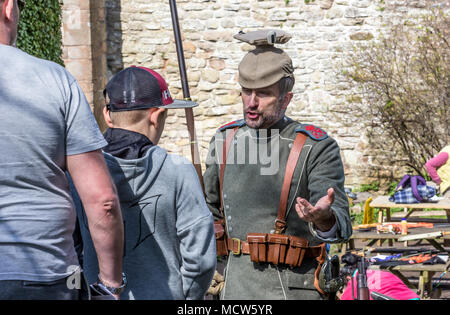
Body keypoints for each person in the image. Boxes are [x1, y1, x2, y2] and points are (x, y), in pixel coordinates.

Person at [203, 29, 352, 300]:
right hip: (233, 289)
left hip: (295, 290)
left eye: (263, 94)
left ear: (286, 98)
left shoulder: (315, 147)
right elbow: (209, 209)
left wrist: (323, 218)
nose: (251, 102)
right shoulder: (225, 140)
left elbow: (340, 224)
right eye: (246, 92)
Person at [0, 0, 125, 299]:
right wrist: (110, 285)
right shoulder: (55, 81)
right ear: (7, 7)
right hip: (47, 276)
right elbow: (102, 201)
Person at [71, 66, 216, 300]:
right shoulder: (179, 172)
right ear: (155, 116)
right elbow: (201, 261)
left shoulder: (77, 174)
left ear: (108, 115)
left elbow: (70, 250)